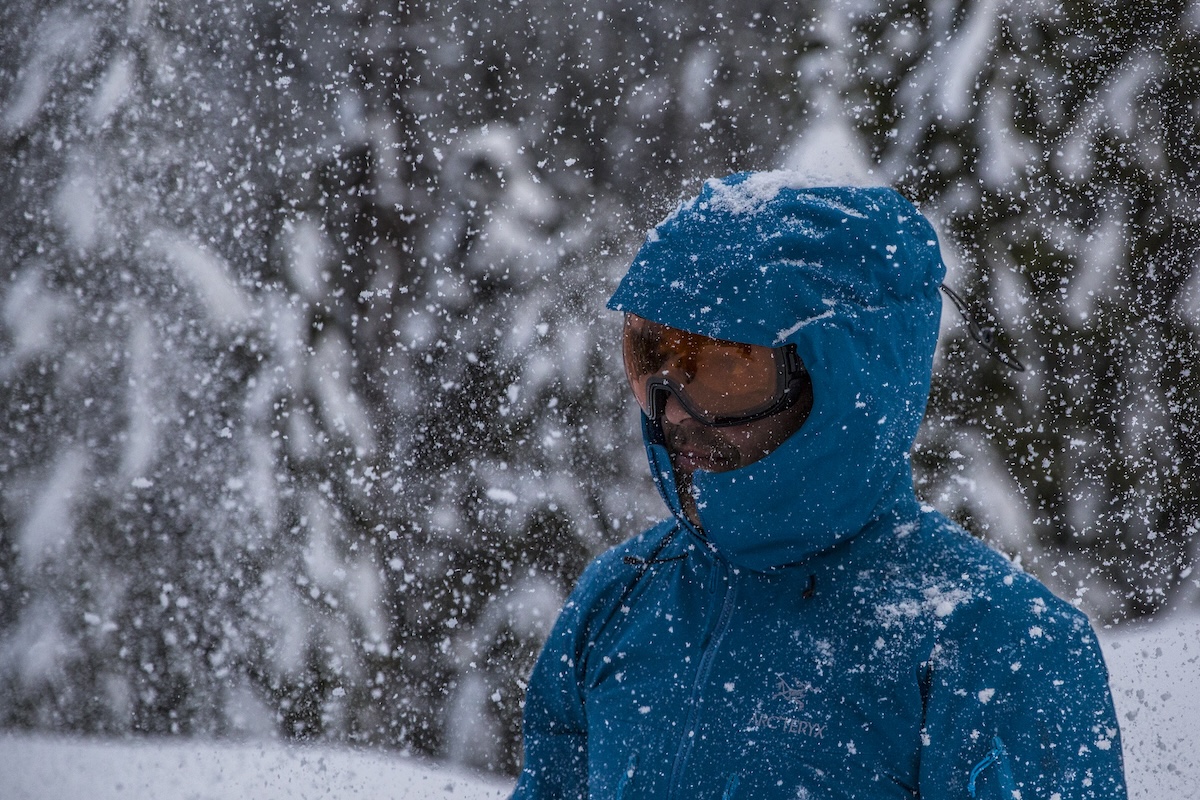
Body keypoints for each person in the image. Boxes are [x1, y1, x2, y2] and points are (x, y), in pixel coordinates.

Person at [511, 171, 1126, 799]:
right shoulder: (619, 598)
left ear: (844, 380)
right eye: (652, 361)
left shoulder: (997, 643)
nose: (672, 410)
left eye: (725, 368)